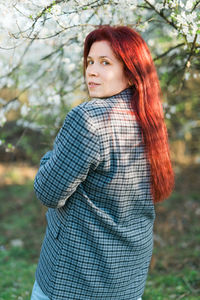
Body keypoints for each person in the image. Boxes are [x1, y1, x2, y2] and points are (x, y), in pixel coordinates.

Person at [31, 25, 174, 300]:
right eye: (90, 62)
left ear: (131, 72)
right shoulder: (149, 119)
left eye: (105, 63)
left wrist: (50, 157)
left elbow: (47, 191)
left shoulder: (88, 119)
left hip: (73, 282)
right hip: (128, 280)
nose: (91, 71)